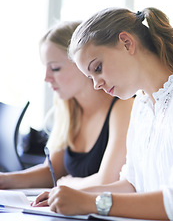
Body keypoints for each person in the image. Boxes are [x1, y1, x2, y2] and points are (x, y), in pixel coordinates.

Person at [32, 7, 173, 220]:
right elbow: (133, 185)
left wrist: (91, 203)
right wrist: (72, 195)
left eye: (97, 68)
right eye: (90, 78)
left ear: (127, 43)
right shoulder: (143, 105)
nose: (97, 85)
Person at [0, 21, 133, 190]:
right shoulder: (69, 109)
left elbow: (108, 180)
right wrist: (5, 180)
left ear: (82, 64)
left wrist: (68, 184)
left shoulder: (123, 106)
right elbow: (53, 172)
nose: (47, 78)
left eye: (55, 68)